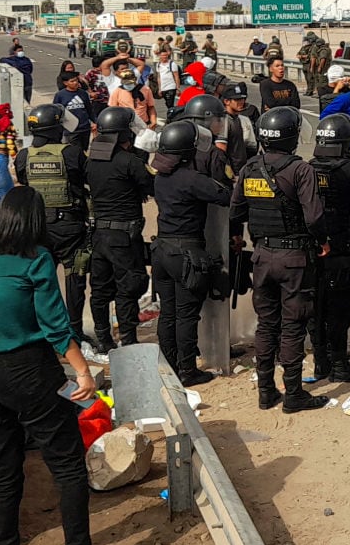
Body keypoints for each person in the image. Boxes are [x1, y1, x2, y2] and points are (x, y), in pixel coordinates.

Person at [0, 186, 113, 545]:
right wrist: (83, 372)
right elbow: (56, 326)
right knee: (66, 462)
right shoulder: (35, 261)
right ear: (35, 221)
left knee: (2, 463)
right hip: (28, 372)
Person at [231, 107, 330, 413]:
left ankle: (265, 391)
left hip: (262, 256)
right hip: (294, 259)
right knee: (293, 325)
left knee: (266, 325)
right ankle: (295, 393)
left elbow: (235, 212)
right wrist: (323, 241)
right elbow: (314, 217)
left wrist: (240, 237)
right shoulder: (301, 170)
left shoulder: (250, 167)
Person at [151, 121, 232, 387]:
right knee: (186, 315)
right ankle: (187, 370)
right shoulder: (192, 180)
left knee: (168, 312)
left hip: (162, 250)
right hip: (186, 253)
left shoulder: (161, 178)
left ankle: (169, 365)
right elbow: (225, 195)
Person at [15, 104, 92, 344]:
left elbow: (23, 182)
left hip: (37, 228)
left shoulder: (23, 155)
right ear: (55, 129)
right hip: (70, 226)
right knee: (75, 278)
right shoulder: (72, 152)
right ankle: (74, 332)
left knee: (39, 281)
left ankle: (43, 331)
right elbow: (86, 179)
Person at [85, 107, 154, 352]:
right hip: (124, 235)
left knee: (101, 289)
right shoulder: (129, 162)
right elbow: (149, 186)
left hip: (98, 234)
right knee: (129, 285)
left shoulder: (91, 161)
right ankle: (128, 338)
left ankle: (104, 340)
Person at [306, 113, 350, 383]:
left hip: (314, 250)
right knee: (341, 309)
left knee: (316, 309)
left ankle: (322, 362)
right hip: (342, 250)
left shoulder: (308, 168)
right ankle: (339, 364)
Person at [221, 83, 259, 173]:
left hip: (242, 168)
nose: (241, 102)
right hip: (231, 171)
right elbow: (220, 152)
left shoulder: (239, 119)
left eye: (242, 99)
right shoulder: (223, 121)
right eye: (237, 99)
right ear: (227, 101)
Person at [53, 70, 94, 152]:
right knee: (74, 151)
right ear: (65, 83)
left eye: (76, 80)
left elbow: (89, 109)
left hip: (85, 128)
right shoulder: (60, 95)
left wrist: (94, 122)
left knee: (84, 151)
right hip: (71, 130)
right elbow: (56, 111)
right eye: (72, 81)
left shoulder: (83, 94)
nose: (75, 83)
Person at [155, 49, 180, 117]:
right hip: (163, 87)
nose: (164, 57)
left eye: (166, 55)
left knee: (170, 103)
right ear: (160, 56)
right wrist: (159, 89)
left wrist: (177, 88)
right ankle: (174, 114)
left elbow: (176, 76)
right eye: (163, 55)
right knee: (167, 103)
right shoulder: (158, 65)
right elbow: (159, 77)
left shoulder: (172, 64)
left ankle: (171, 117)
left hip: (171, 86)